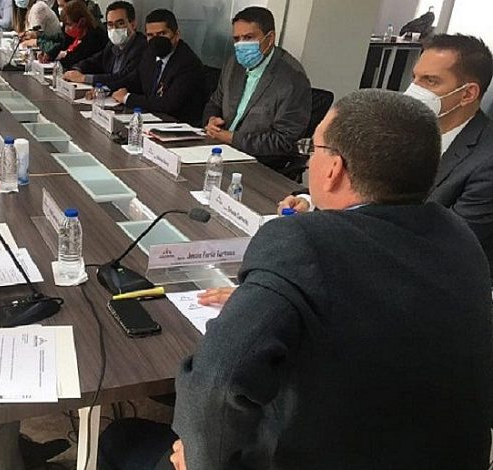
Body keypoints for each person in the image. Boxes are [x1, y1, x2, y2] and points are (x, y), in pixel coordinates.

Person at [105, 89, 493, 470]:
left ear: (334, 168)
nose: (309, 159)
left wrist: (199, 458)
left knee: (120, 439)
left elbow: (217, 382)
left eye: (314, 149)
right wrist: (268, 298)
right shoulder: (460, 238)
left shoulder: (300, 241)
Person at [280, 34, 493, 282]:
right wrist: (310, 200)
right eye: (415, 78)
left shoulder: (486, 161)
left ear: (468, 94)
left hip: (427, 281)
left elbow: (446, 245)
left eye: (430, 81)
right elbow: (359, 180)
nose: (414, 90)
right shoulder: (403, 129)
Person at [203, 6, 311, 171]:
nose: (241, 45)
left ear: (270, 38)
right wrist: (211, 120)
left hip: (259, 163)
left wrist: (231, 138)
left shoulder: (292, 78)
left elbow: (283, 141)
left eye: (249, 37)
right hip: (218, 150)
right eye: (237, 39)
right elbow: (215, 102)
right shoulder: (233, 63)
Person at [111, 9, 205, 125]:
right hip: (153, 121)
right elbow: (133, 80)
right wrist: (105, 89)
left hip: (180, 125)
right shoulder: (149, 54)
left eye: (162, 34)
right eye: (150, 35)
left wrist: (127, 98)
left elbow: (167, 104)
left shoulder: (187, 63)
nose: (156, 40)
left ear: (177, 35)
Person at [62, 1, 147, 91]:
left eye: (120, 24)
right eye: (110, 25)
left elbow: (122, 78)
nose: (114, 29)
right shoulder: (112, 45)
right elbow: (94, 61)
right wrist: (77, 69)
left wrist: (84, 78)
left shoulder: (141, 47)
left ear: (133, 24)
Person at [54, 0, 107, 69]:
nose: (66, 29)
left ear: (82, 22)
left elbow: (70, 61)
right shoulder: (75, 36)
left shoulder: (94, 39)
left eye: (69, 25)